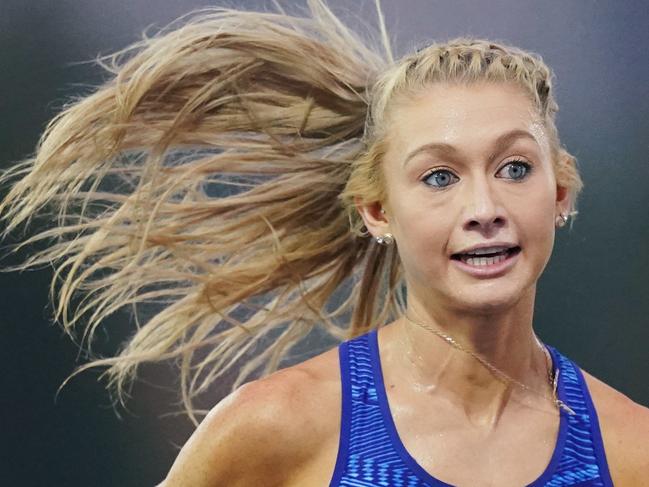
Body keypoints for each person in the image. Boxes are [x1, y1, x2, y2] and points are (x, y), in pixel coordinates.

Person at [1, 1, 647, 486]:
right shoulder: (278, 426)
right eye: (438, 177)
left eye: (513, 168)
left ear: (560, 192)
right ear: (376, 210)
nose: (483, 209)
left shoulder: (629, 451)